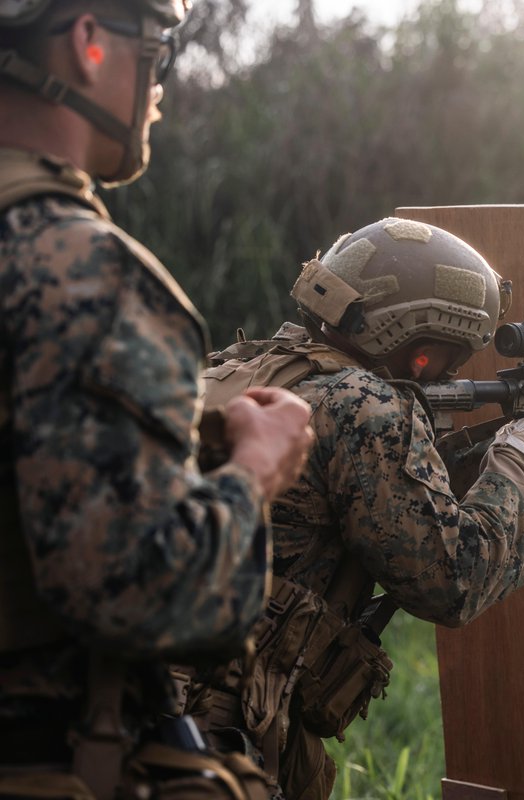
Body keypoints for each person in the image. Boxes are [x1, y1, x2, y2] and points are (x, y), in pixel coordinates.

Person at [188, 217, 524, 800]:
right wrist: (518, 467)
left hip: (155, 695)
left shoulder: (243, 368)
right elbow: (451, 579)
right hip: (223, 731)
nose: (453, 373)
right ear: (412, 340)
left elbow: (391, 497)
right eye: (447, 356)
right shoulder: (365, 404)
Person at [0, 1, 314, 797]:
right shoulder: (83, 273)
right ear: (88, 43)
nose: (162, 87)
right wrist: (253, 472)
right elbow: (150, 599)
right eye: (159, 48)